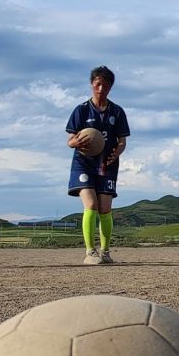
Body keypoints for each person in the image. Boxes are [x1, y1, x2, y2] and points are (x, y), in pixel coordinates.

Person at [66, 66, 129, 265]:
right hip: (83, 163)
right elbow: (70, 139)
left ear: (111, 86)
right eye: (98, 84)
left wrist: (116, 153)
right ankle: (89, 251)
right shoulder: (81, 110)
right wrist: (74, 143)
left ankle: (105, 251)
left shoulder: (117, 112)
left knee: (105, 209)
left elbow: (122, 141)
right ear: (92, 84)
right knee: (91, 204)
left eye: (106, 84)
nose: (101, 88)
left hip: (107, 165)